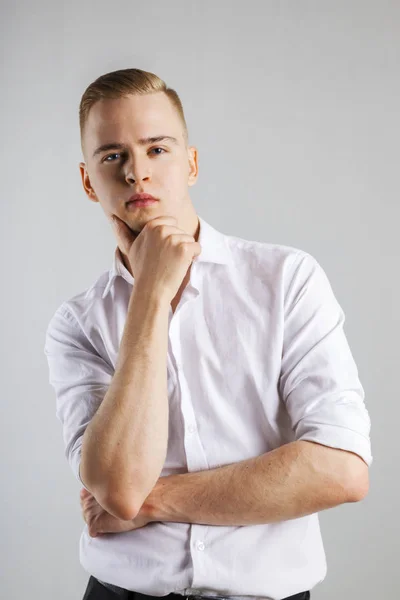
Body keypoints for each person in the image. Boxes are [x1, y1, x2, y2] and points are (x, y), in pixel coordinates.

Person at [44, 68, 372, 600]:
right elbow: (120, 488)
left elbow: (340, 471)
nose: (136, 173)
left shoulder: (286, 280)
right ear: (88, 181)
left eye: (157, 149)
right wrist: (151, 293)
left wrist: (156, 501)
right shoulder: (77, 323)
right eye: (113, 156)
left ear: (190, 163)